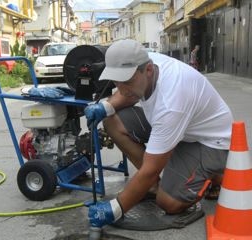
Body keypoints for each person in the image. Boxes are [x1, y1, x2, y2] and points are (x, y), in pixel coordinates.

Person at [84, 39, 233, 229]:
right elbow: (126, 92)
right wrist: (104, 107)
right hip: (181, 127)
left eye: (127, 82)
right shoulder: (143, 61)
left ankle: (216, 174)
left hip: (210, 140)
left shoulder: (171, 102)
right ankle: (153, 186)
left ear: (147, 70)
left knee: (169, 203)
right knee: (112, 119)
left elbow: (150, 169)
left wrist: (115, 209)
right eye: (117, 82)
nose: (122, 90)